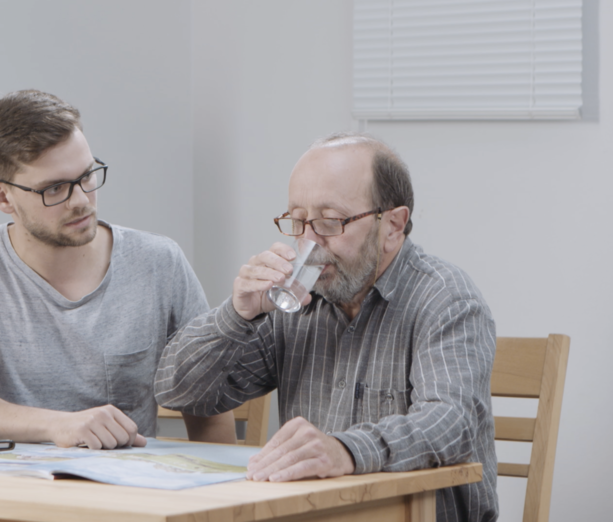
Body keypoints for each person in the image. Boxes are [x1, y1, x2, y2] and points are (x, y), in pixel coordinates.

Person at [155, 133, 498, 522]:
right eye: (298, 221)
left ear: (393, 225)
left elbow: (451, 425)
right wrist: (236, 315)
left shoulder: (446, 299)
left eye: (330, 222)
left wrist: (346, 451)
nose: (308, 243)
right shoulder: (298, 301)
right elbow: (179, 391)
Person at [0, 89, 234, 449]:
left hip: (124, 493)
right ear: (3, 197)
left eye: (86, 176)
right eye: (55, 189)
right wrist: (58, 426)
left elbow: (209, 412)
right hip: (5, 494)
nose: (81, 201)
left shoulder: (159, 263)